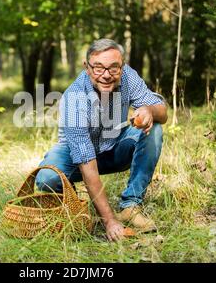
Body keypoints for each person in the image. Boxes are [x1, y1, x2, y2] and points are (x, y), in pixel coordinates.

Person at [35, 38, 168, 241]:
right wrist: (109, 221)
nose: (106, 75)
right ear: (86, 68)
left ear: (122, 66)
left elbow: (163, 114)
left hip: (114, 147)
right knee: (46, 177)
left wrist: (149, 110)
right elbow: (86, 162)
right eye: (98, 68)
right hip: (76, 158)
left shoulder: (128, 76)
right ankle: (78, 207)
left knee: (154, 129)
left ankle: (130, 206)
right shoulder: (74, 98)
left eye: (113, 68)